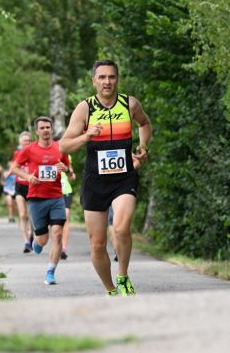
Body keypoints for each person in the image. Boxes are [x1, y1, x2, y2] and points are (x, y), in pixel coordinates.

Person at [60, 59, 151, 296]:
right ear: (94, 81)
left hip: (124, 178)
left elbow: (144, 123)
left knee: (120, 229)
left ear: (117, 79)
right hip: (95, 181)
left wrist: (142, 146)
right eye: (102, 77)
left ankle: (122, 276)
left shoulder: (129, 104)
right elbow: (64, 145)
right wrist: (86, 136)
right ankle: (110, 290)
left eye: (111, 77)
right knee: (97, 244)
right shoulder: (85, 108)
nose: (107, 82)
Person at [11, 116, 70, 285]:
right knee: (43, 239)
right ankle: (37, 242)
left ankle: (50, 272)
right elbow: (14, 168)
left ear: (51, 129)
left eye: (48, 127)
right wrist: (28, 177)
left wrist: (66, 169)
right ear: (37, 131)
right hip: (37, 199)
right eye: (42, 128)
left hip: (56, 197)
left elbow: (69, 171)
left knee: (57, 234)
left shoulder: (60, 148)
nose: (45, 130)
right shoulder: (29, 149)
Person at [12, 131, 34, 253]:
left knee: (31, 215)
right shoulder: (17, 154)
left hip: (31, 187)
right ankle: (26, 242)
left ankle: (31, 236)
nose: (26, 143)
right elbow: (14, 167)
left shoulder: (34, 153)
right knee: (22, 214)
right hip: (19, 186)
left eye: (28, 141)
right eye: (24, 141)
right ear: (20, 143)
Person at [59, 153, 76, 260]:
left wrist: (71, 175)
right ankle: (57, 245)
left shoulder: (66, 156)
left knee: (65, 219)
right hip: (52, 192)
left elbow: (72, 175)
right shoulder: (46, 154)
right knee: (53, 222)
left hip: (65, 191)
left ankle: (63, 248)